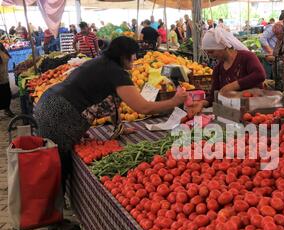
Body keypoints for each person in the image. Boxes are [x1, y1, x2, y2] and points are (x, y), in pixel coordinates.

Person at [34, 37, 190, 192]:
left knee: (54, 159)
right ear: (123, 56)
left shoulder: (100, 62)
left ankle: (52, 206)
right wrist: (174, 101)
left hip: (48, 102)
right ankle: (52, 212)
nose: (135, 58)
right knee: (58, 163)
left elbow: (112, 99)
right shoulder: (117, 73)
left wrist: (119, 126)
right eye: (133, 54)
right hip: (60, 112)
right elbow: (143, 108)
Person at [201, 27, 266, 107]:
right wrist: (202, 103)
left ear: (223, 47)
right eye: (207, 52)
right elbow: (213, 96)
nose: (209, 55)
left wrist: (232, 86)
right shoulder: (218, 69)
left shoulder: (247, 57)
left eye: (211, 52)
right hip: (232, 112)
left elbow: (259, 75)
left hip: (255, 110)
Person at [0, 43, 13, 118]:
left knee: (7, 95)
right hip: (1, 78)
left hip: (5, 77)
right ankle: (7, 110)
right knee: (4, 95)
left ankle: (7, 110)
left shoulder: (2, 50)